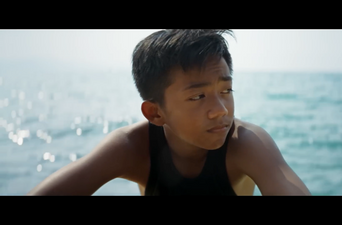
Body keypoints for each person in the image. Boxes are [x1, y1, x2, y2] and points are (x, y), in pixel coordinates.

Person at [27, 29, 311, 196]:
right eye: (198, 96)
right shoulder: (131, 148)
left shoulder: (246, 143)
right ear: (155, 113)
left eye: (226, 90)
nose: (220, 110)